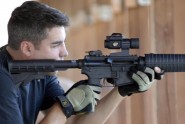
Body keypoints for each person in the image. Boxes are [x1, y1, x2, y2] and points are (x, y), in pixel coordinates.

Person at [0, 1, 164, 124]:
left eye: (64, 43)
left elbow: (75, 122)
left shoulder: (41, 72)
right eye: (56, 45)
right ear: (27, 48)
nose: (65, 52)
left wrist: (120, 92)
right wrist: (65, 105)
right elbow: (62, 111)